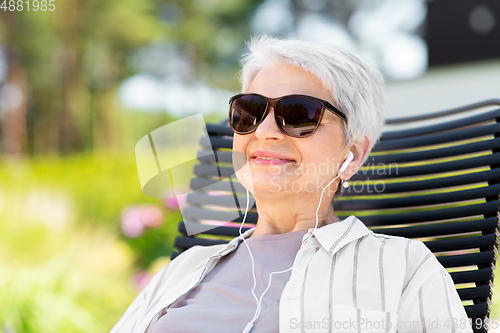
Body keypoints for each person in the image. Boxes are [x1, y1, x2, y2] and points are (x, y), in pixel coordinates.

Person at [111, 36, 472, 333]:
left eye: (299, 114)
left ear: (355, 153)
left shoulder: (403, 268)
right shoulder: (186, 268)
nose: (264, 132)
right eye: (249, 111)